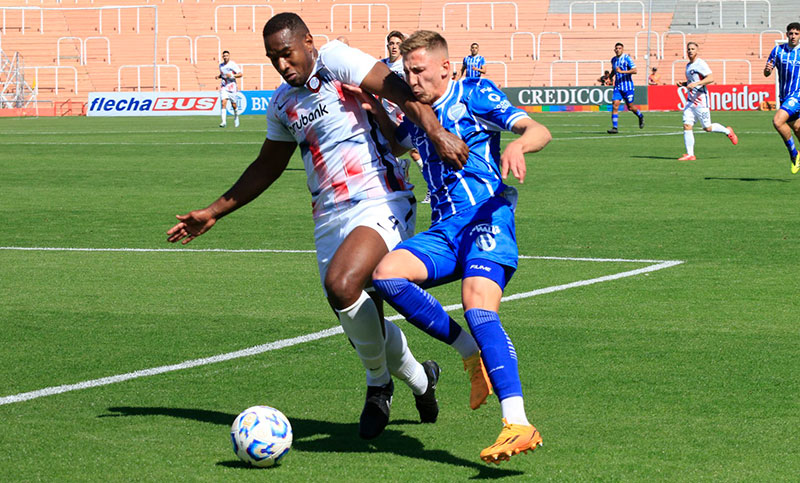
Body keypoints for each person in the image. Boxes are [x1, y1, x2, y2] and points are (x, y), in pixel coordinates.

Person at [166, 13, 474, 441]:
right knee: (361, 324)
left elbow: (400, 92)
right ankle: (423, 380)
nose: (282, 65)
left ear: (308, 42)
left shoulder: (338, 59)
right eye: (273, 58)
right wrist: (214, 211)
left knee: (342, 284)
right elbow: (267, 166)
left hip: (380, 199)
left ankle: (377, 386)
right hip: (328, 217)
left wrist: (436, 132)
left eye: (287, 54)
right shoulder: (282, 104)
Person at [364, 30, 552, 464]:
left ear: (445, 68)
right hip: (445, 229)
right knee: (386, 275)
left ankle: (518, 422)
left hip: (487, 218)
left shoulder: (474, 94)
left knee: (476, 302)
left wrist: (521, 144)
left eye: (419, 71)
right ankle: (470, 355)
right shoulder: (417, 113)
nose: (411, 80)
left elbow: (536, 128)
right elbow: (400, 143)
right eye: (406, 71)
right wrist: (374, 104)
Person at [380, 31, 430, 203]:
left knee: (416, 151)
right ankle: (398, 175)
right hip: (387, 117)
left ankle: (428, 185)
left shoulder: (405, 66)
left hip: (405, 116)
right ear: (387, 46)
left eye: (396, 43)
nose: (394, 46)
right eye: (391, 43)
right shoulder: (381, 66)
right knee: (385, 149)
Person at [676, 42, 738, 161]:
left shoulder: (700, 64)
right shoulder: (688, 65)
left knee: (707, 128)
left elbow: (710, 78)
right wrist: (684, 84)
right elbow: (692, 81)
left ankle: (727, 131)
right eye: (688, 49)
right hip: (690, 101)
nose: (690, 51)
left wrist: (696, 84)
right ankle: (690, 154)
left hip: (701, 101)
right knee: (687, 125)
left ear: (697, 51)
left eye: (693, 49)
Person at [764, 22, 800, 174]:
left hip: (797, 95)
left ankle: (794, 155)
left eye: (796, 33)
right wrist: (767, 70)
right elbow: (767, 72)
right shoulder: (778, 50)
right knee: (797, 128)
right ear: (786, 35)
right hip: (784, 96)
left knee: (778, 121)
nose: (793, 36)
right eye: (791, 33)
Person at [607, 42, 644, 134]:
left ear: (622, 49)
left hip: (628, 87)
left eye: (619, 48)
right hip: (618, 87)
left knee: (630, 107)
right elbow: (614, 70)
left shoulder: (627, 58)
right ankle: (615, 127)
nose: (618, 50)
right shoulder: (613, 60)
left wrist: (622, 72)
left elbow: (635, 70)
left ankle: (640, 116)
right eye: (616, 48)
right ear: (614, 50)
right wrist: (610, 77)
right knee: (615, 105)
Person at [217, 50, 242, 128]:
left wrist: (231, 76)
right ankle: (223, 122)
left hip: (232, 87)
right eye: (224, 56)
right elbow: (223, 75)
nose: (225, 57)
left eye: (227, 55)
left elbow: (240, 74)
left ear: (229, 56)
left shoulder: (232, 64)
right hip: (224, 86)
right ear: (222, 57)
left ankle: (236, 116)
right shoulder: (221, 66)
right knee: (223, 102)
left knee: (234, 105)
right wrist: (218, 76)